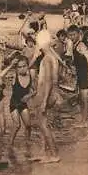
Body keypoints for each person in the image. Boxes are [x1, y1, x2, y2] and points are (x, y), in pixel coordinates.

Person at [30, 31, 63, 164]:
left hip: (45, 93)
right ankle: (44, 152)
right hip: (50, 92)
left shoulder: (46, 59)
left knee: (43, 124)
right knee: (42, 123)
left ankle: (54, 154)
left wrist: (43, 101)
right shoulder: (52, 57)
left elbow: (48, 80)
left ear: (40, 43)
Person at [67, 25, 88, 128]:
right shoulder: (74, 45)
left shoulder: (81, 45)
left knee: (84, 99)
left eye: (74, 34)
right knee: (81, 99)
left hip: (85, 74)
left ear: (78, 34)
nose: (72, 37)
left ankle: (84, 121)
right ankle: (83, 120)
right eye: (70, 35)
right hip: (80, 74)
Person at [8, 55, 36, 152]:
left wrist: (29, 96)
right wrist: (11, 65)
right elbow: (2, 75)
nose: (22, 69)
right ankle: (10, 145)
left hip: (23, 104)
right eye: (19, 67)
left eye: (24, 66)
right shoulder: (15, 75)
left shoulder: (30, 76)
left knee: (28, 125)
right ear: (16, 68)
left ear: (27, 66)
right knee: (17, 125)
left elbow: (35, 91)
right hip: (14, 103)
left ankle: (27, 142)